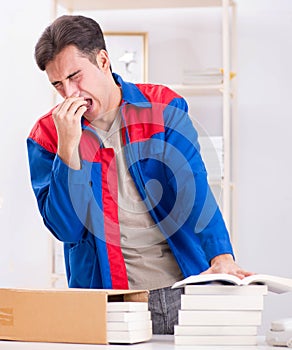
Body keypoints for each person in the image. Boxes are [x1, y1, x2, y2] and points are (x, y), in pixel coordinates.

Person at [27, 15, 252, 334]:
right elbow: (66, 229)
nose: (70, 93)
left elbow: (194, 187)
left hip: (181, 290)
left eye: (75, 77)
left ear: (102, 60)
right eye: (58, 85)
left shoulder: (162, 105)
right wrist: (68, 148)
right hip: (108, 300)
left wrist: (221, 255)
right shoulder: (47, 135)